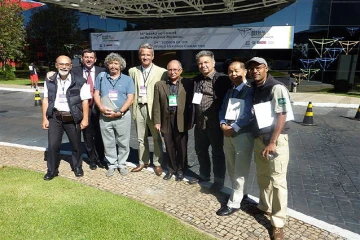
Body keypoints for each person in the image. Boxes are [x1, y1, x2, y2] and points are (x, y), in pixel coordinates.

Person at [247, 57, 292, 240]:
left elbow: (282, 114)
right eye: (251, 68)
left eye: (258, 67)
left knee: (278, 182)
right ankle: (264, 206)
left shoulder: (276, 87)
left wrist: (272, 141)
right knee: (263, 176)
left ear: (266, 68)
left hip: (275, 140)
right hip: (260, 139)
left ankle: (278, 223)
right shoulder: (256, 88)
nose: (254, 71)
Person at [41, 55, 90, 181]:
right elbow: (46, 100)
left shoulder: (80, 81)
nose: (64, 66)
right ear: (56, 65)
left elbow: (85, 101)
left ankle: (77, 167)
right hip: (55, 117)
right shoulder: (50, 80)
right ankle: (52, 170)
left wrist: (85, 119)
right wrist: (45, 118)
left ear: (71, 66)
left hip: (72, 118)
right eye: (61, 64)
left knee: (76, 145)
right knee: (52, 145)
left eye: (67, 64)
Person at [189, 50, 232, 191]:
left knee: (217, 153)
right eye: (200, 63)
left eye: (206, 62)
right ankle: (204, 175)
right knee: (200, 150)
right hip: (200, 123)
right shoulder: (196, 80)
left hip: (215, 124)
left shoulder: (223, 79)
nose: (203, 65)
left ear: (213, 63)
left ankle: (218, 181)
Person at [216, 61, 254, 216]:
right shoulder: (230, 90)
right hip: (228, 133)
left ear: (244, 72)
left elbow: (249, 114)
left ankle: (234, 203)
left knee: (240, 170)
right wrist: (223, 124)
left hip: (242, 134)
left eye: (236, 71)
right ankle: (240, 193)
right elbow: (223, 109)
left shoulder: (250, 91)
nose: (233, 74)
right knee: (232, 167)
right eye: (230, 71)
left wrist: (235, 128)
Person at [128, 43, 167, 176]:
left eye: (148, 55)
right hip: (138, 107)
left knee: (156, 137)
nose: (145, 57)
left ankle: (157, 163)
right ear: (139, 56)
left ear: (153, 56)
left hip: (153, 108)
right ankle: (143, 161)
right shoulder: (133, 71)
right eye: (143, 54)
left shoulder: (161, 72)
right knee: (140, 137)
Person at [93, 53, 135, 177]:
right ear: (107, 65)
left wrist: (120, 112)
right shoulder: (101, 77)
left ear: (121, 65)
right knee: (108, 141)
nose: (113, 66)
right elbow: (96, 94)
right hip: (105, 116)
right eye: (111, 63)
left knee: (123, 141)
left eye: (116, 63)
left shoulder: (127, 79)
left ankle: (122, 164)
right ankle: (112, 164)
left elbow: (130, 98)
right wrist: (101, 108)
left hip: (122, 115)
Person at [153, 60, 192, 181]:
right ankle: (170, 169)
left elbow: (191, 104)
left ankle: (180, 169)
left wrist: (191, 120)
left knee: (181, 146)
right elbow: (156, 104)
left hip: (181, 119)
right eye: (170, 69)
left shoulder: (187, 83)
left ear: (180, 70)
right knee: (169, 146)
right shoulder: (160, 84)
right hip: (166, 119)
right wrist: (157, 121)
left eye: (175, 69)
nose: (172, 72)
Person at [71, 49, 106, 170]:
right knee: (88, 136)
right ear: (82, 58)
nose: (89, 59)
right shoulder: (74, 71)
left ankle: (101, 158)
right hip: (83, 108)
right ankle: (92, 159)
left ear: (95, 59)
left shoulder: (102, 71)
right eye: (86, 57)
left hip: (99, 107)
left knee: (100, 135)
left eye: (91, 57)